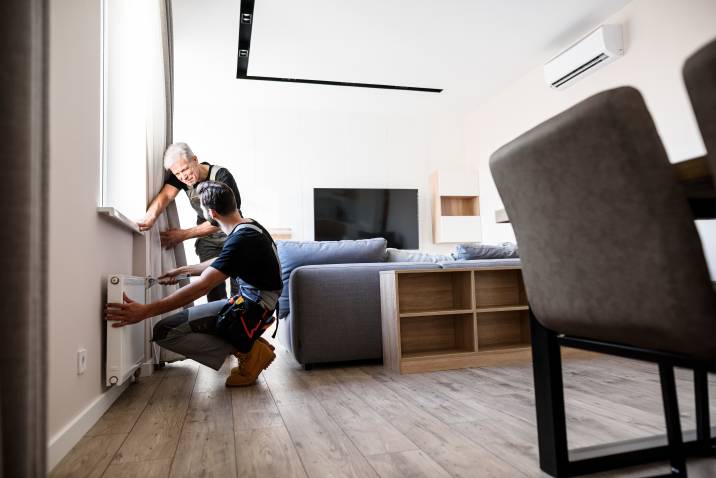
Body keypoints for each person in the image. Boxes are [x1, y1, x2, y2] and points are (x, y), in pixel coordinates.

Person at [107, 181, 282, 387]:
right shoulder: (248, 226)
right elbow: (223, 261)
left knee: (165, 332)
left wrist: (144, 311)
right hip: (255, 301)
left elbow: (202, 287)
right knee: (180, 325)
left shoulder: (241, 239)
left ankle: (248, 351)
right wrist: (183, 270)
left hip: (255, 307)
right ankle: (248, 346)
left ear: (211, 213)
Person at [138, 142, 242, 302]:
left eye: (185, 169)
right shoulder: (182, 177)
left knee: (239, 290)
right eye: (178, 174)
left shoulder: (221, 176)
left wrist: (183, 235)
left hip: (232, 234)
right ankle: (217, 324)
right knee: (212, 288)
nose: (183, 176)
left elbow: (222, 219)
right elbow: (165, 196)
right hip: (207, 241)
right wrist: (150, 217)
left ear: (195, 159)